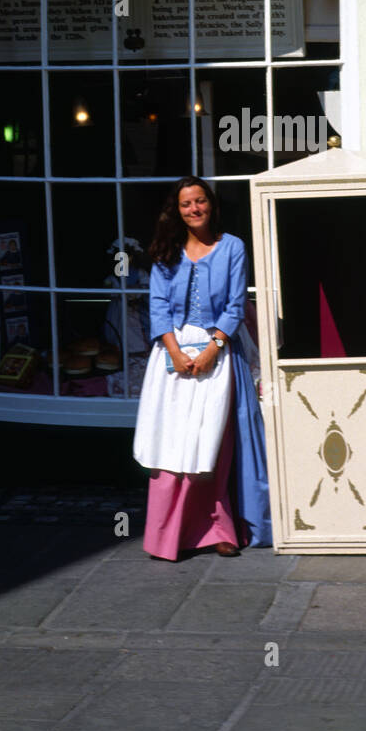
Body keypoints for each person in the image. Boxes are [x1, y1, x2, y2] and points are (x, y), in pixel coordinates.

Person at [133, 176, 272, 560]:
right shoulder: (167, 252)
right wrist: (175, 354)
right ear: (176, 211)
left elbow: (234, 304)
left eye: (200, 202)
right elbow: (158, 307)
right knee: (172, 445)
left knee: (211, 445)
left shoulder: (232, 248)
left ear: (211, 205)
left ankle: (219, 528)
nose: (194, 209)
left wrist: (213, 349)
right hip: (172, 359)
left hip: (219, 354)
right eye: (185, 204)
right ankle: (168, 535)